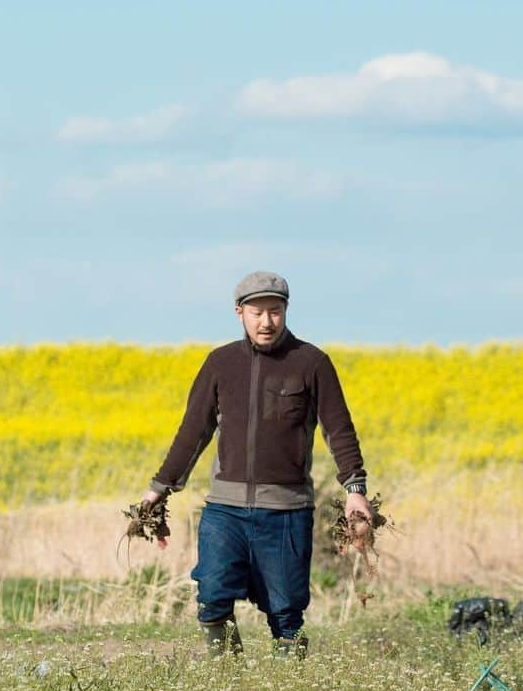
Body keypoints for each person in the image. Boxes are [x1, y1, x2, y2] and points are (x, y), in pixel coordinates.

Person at [141, 270, 373, 655]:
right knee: (212, 599)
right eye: (257, 312)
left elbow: (340, 431)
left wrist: (356, 491)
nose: (266, 321)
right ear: (239, 312)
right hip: (224, 511)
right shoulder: (220, 363)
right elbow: (192, 433)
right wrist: (158, 490)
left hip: (286, 513)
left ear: (286, 311)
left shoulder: (312, 363)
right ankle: (230, 685)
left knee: (286, 615)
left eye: (275, 311)